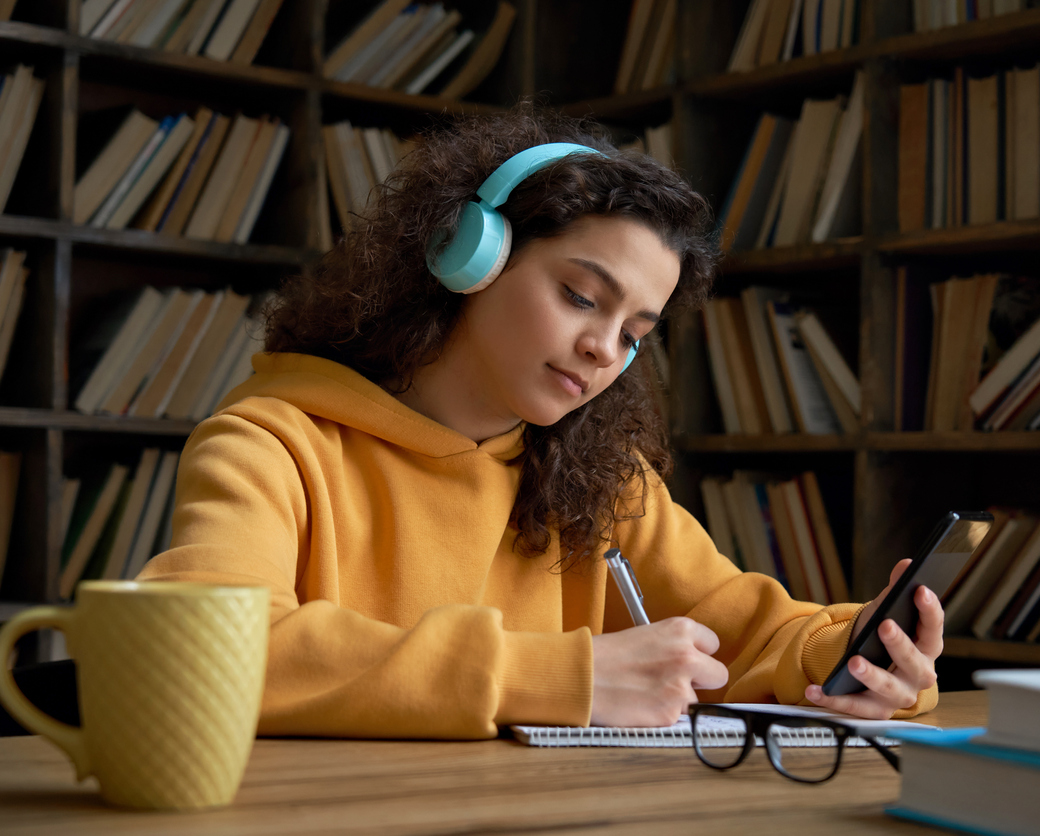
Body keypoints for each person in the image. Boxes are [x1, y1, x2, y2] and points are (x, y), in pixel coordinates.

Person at [137, 105, 941, 739]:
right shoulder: (273, 445)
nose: (602, 349)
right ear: (470, 256)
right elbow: (203, 653)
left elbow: (753, 631)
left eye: (634, 335)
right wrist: (561, 679)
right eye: (581, 297)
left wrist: (862, 659)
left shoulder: (604, 483)